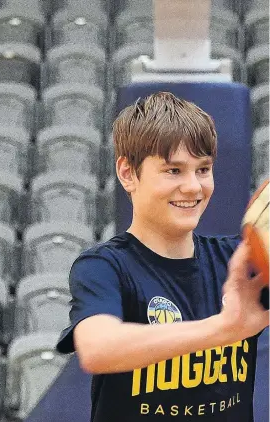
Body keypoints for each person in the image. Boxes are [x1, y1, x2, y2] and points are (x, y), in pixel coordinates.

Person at [56, 92, 269, 421]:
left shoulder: (239, 259)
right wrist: (225, 328)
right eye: (173, 170)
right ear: (128, 173)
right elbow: (98, 349)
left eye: (203, 169)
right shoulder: (104, 266)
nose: (193, 187)